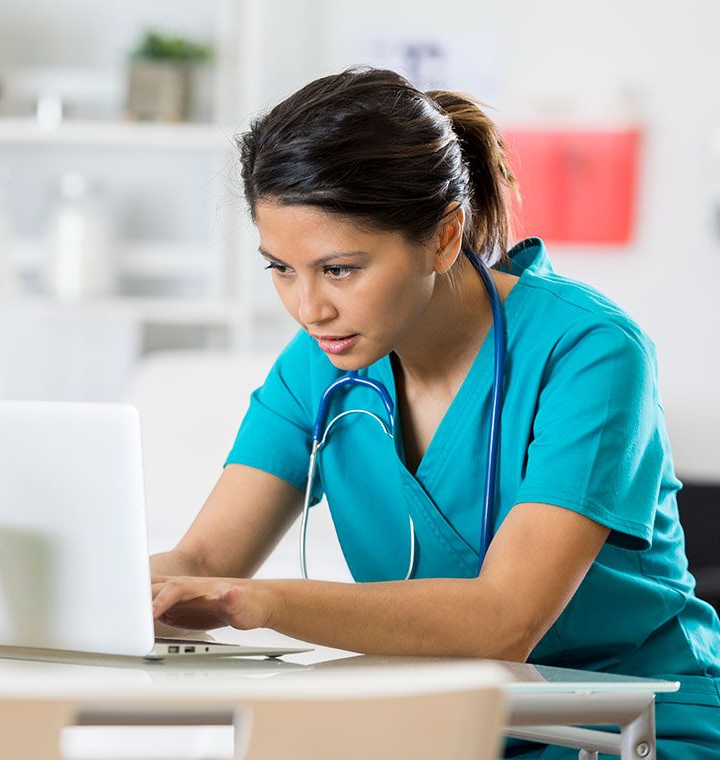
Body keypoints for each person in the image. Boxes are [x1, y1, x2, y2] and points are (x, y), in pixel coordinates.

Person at [149, 66, 720, 758]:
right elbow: (205, 557)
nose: (308, 308)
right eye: (280, 269)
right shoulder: (319, 365)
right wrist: (115, 587)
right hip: (446, 723)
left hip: (629, 722)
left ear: (445, 237)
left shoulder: (590, 353)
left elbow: (502, 622)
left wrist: (259, 602)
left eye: (339, 269)